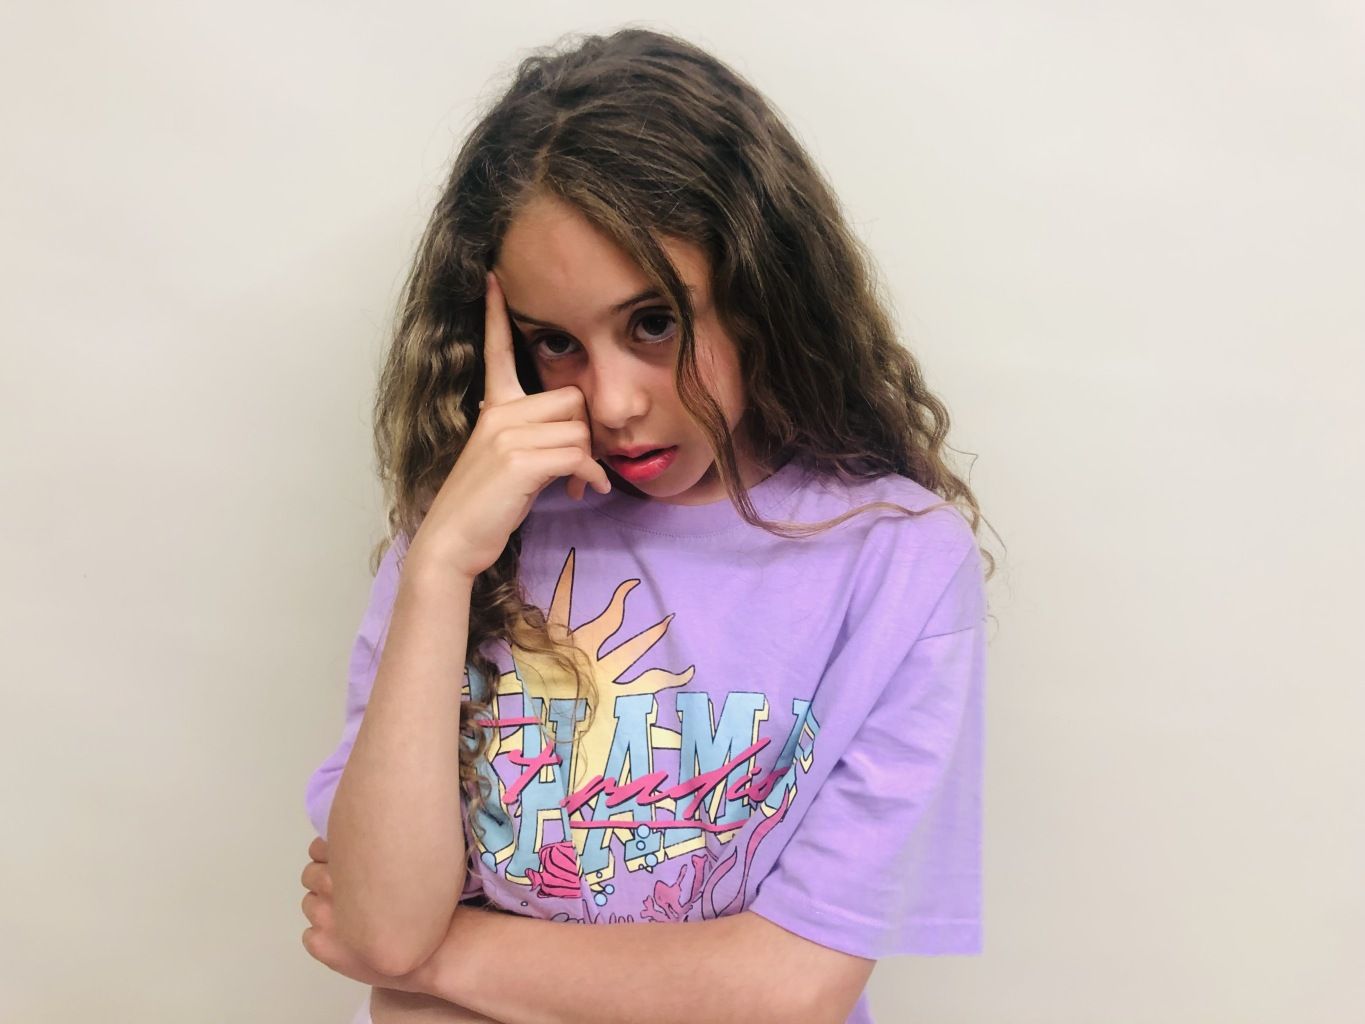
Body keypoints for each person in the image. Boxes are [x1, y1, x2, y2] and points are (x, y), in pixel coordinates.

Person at [299, 26, 999, 1024]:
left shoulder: (895, 561)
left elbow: (788, 990)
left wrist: (441, 957)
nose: (614, 401)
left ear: (760, 292)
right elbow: (378, 923)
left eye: (654, 323)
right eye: (555, 342)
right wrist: (444, 561)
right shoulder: (469, 538)